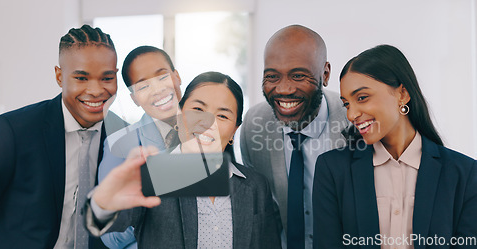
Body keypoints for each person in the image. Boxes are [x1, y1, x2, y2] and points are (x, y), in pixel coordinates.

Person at [86, 71, 282, 249]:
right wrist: (103, 202)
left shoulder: (256, 186)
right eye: (198, 109)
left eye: (222, 116)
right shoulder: (154, 174)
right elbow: (110, 223)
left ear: (234, 131)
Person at [313, 44, 477, 249]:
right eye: (347, 103)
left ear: (403, 94)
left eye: (362, 98)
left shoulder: (465, 173)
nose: (351, 114)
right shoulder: (332, 170)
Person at [0, 24, 118, 248]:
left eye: (107, 78)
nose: (96, 90)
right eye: (81, 78)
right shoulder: (11, 131)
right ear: (60, 76)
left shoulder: (123, 139)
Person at [240, 24, 349, 249]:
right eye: (272, 76)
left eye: (298, 75)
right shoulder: (253, 125)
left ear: (325, 74)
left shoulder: (353, 120)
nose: (284, 89)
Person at [97, 46, 182, 249]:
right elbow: (109, 237)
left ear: (177, 77)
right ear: (134, 98)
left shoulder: (207, 130)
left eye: (162, 77)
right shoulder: (120, 145)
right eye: (143, 87)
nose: (158, 90)